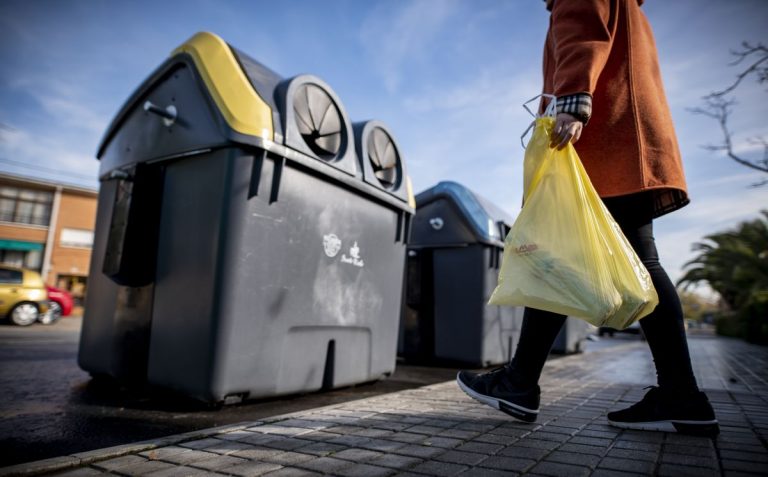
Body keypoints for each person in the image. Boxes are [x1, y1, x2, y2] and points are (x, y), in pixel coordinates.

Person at [456, 0, 719, 436]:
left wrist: (573, 100)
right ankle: (676, 394)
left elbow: (581, 28)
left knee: (583, 259)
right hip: (627, 135)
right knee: (579, 259)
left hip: (607, 138)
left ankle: (524, 384)